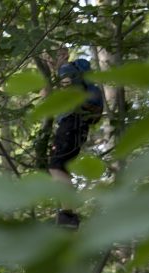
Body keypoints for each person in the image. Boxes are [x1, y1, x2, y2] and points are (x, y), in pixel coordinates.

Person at [48, 58, 104, 229]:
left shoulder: (67, 70)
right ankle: (68, 213)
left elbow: (66, 85)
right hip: (80, 127)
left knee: (56, 167)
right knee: (61, 167)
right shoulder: (87, 82)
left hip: (70, 123)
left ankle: (68, 215)